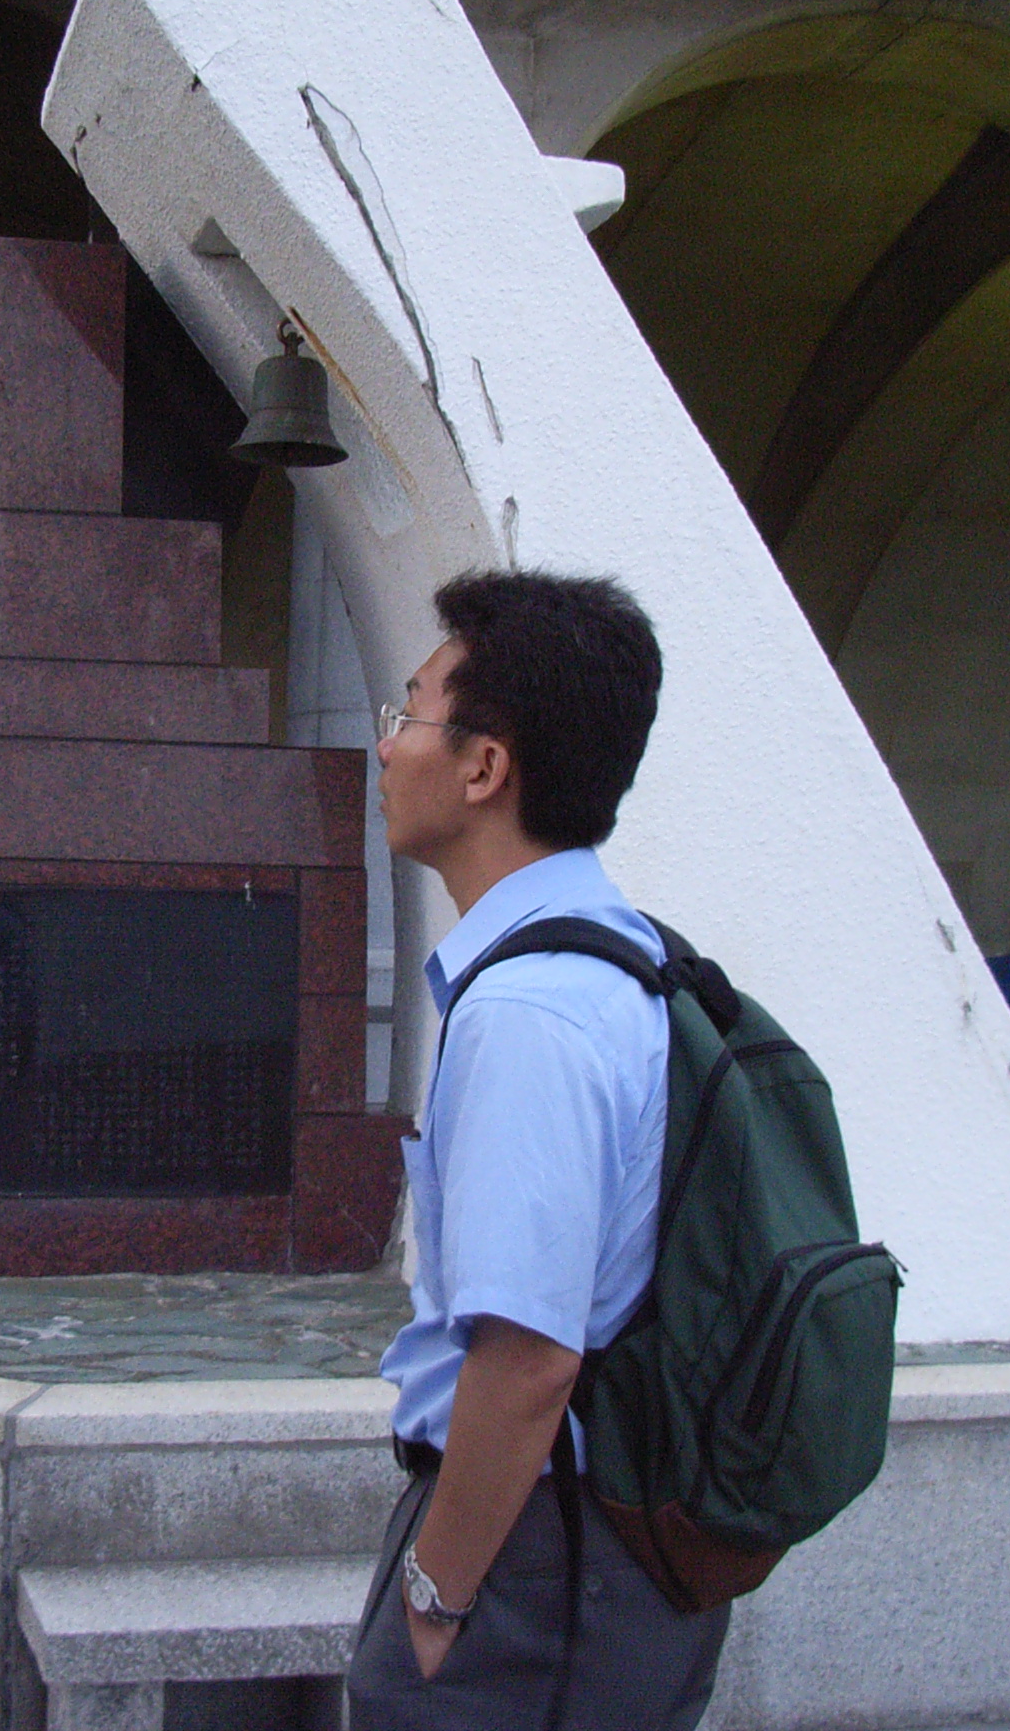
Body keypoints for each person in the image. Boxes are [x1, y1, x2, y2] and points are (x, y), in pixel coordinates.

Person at [346, 569, 725, 1730]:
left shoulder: (529, 1011)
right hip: (585, 1545)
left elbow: (525, 1362)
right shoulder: (626, 954)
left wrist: (435, 1596)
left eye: (409, 713)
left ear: (483, 767)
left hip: (531, 1565)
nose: (385, 748)